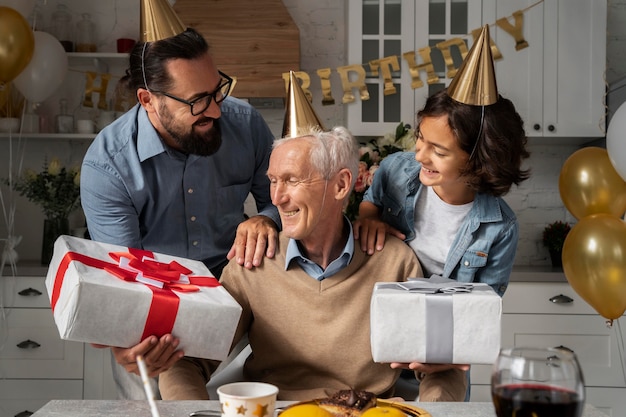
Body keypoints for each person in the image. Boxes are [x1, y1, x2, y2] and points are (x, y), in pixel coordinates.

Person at [155, 126, 442, 401]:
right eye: (273, 180)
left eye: (292, 180)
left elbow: (439, 369)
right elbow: (184, 361)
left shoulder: (394, 262)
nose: (276, 198)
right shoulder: (252, 262)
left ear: (341, 185)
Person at [80, 27, 280, 399]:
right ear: (148, 100)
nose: (216, 109)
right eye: (198, 100)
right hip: (154, 320)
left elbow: (283, 199)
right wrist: (125, 344)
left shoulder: (246, 124)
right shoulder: (107, 164)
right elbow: (125, 278)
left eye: (217, 89)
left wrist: (266, 217)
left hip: (238, 307)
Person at [353, 26, 530, 402]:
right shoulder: (398, 170)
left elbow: (483, 308)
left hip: (442, 347)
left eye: (438, 150)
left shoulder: (500, 227)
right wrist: (368, 215)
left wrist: (447, 356)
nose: (419, 155)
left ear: (481, 158)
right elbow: (374, 194)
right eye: (420, 137)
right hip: (375, 333)